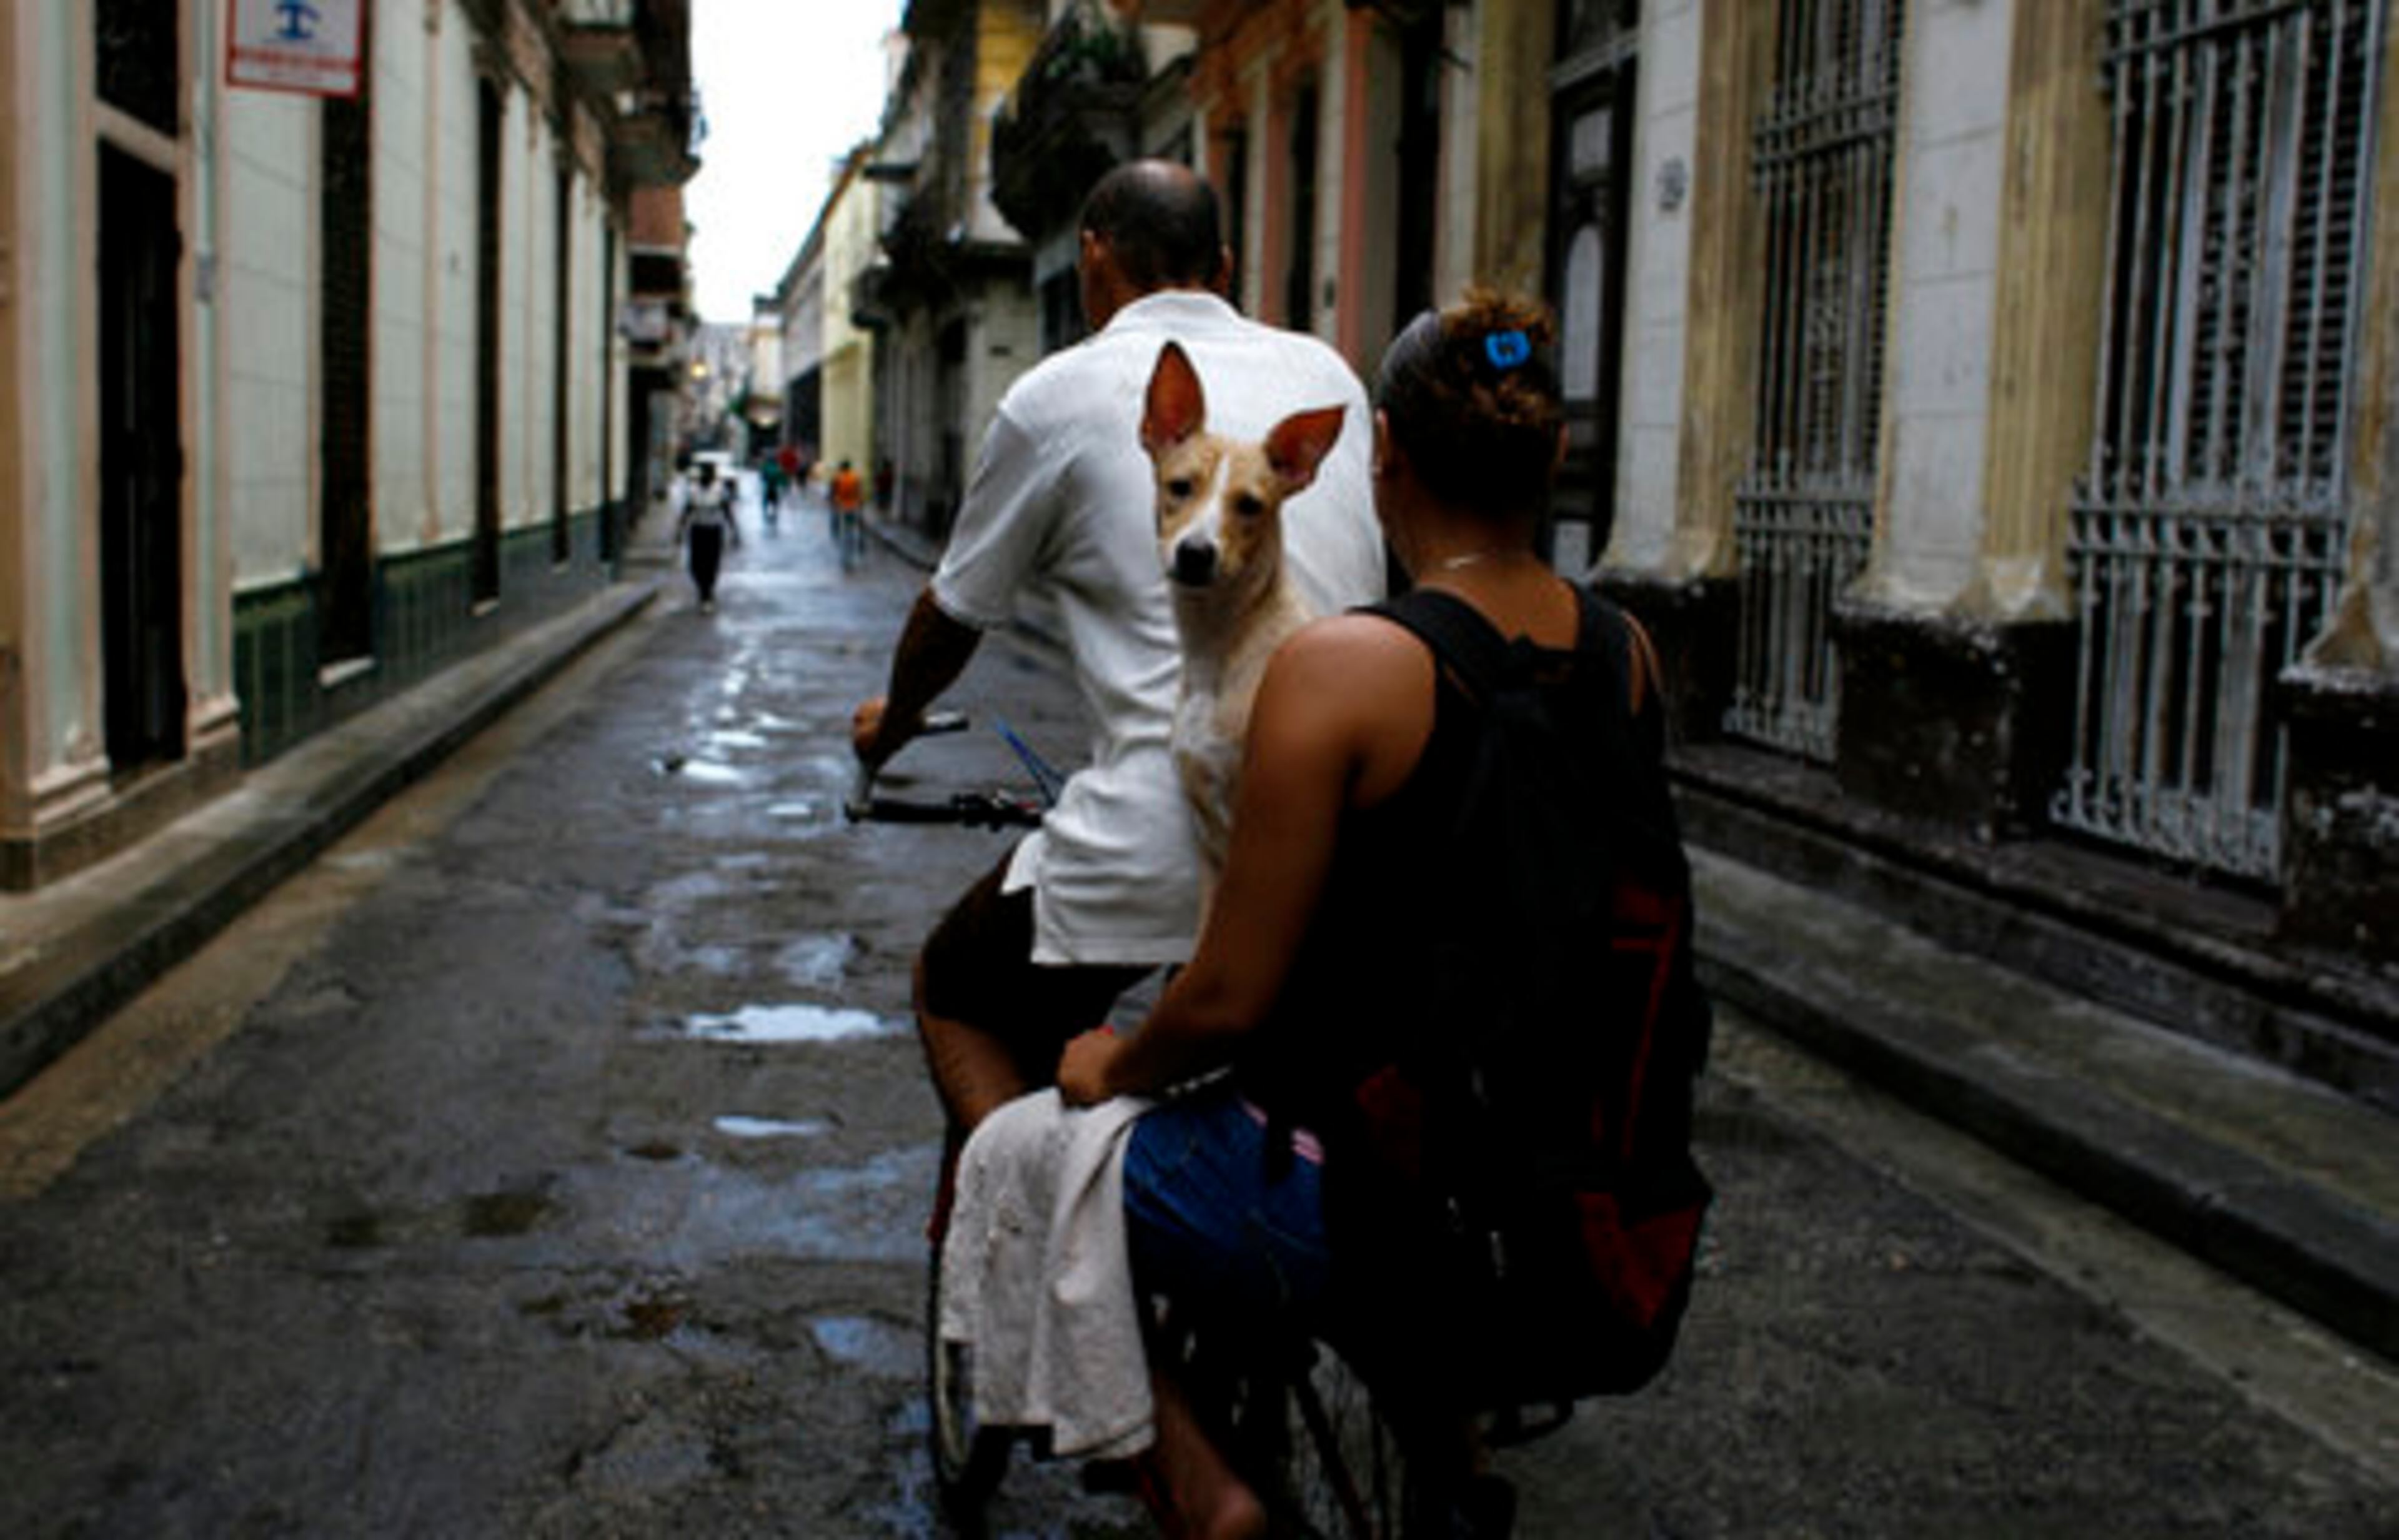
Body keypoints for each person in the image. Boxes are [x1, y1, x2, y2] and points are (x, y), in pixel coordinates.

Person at [1051, 290, 1637, 1536]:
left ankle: (1210, 1493)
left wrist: (1117, 1056)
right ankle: (1458, 1466)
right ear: (1554, 460)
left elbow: (1231, 994)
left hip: (1369, 1181)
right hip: (1576, 1179)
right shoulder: (1628, 652)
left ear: (1379, 461)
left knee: (1044, 1165)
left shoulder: (1345, 664)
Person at [851, 159, 1386, 1150]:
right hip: (1335, 858)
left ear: (1092, 257)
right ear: (1223, 266)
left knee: (954, 987)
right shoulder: (1330, 377)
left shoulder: (1056, 392)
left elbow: (949, 613)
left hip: (1164, 832)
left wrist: (895, 723)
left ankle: (1021, 1232)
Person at [673, 459, 739, 613]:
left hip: (714, 531)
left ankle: (707, 593)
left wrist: (735, 532)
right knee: (695, 564)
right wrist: (679, 531)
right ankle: (703, 588)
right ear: (701, 476)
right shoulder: (693, 490)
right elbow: (686, 511)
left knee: (712, 563)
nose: (708, 477)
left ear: (714, 476)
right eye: (706, 474)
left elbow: (727, 511)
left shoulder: (721, 490)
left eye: (711, 474)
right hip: (698, 530)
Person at [829, 459, 867, 570]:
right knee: (851, 532)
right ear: (849, 467)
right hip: (853, 507)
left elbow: (832, 494)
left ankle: (845, 559)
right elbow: (859, 493)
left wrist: (833, 505)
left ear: (841, 468)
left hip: (841, 508)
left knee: (842, 533)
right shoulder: (855, 478)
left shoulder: (837, 478)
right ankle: (850, 557)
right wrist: (860, 506)